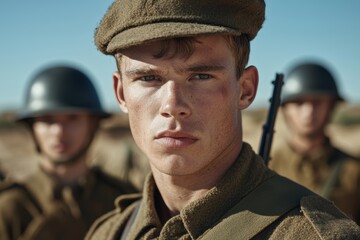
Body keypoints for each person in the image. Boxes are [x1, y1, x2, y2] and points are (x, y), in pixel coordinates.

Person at [86, 0, 360, 239]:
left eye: (201, 77)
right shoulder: (109, 233)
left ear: (245, 89)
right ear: (121, 93)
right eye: (149, 78)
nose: (173, 106)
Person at [0, 64, 138, 240]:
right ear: (32, 128)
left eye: (73, 118)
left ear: (93, 124)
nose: (59, 132)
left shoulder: (122, 199)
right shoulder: (10, 206)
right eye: (47, 120)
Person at [269, 62, 360, 224]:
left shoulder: (354, 170)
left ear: (331, 107)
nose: (308, 111)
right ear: (285, 109)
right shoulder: (264, 167)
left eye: (317, 102)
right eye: (299, 102)